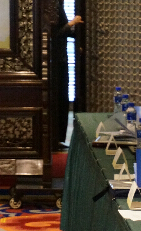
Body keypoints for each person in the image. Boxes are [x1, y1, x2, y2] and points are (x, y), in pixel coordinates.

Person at [50, 0, 82, 150]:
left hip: (62, 60)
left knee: (63, 99)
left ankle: (59, 139)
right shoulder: (49, 7)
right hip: (52, 63)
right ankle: (53, 139)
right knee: (56, 100)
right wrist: (71, 23)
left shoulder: (58, 6)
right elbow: (53, 35)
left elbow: (65, 32)